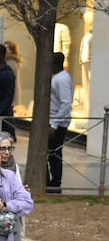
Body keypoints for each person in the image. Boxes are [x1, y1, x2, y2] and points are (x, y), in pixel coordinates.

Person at [48, 52, 73, 192]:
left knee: (55, 152)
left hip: (56, 123)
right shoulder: (56, 77)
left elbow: (66, 103)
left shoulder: (61, 79)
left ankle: (56, 182)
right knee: (51, 152)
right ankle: (51, 180)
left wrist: (55, 124)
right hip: (52, 121)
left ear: (56, 63)